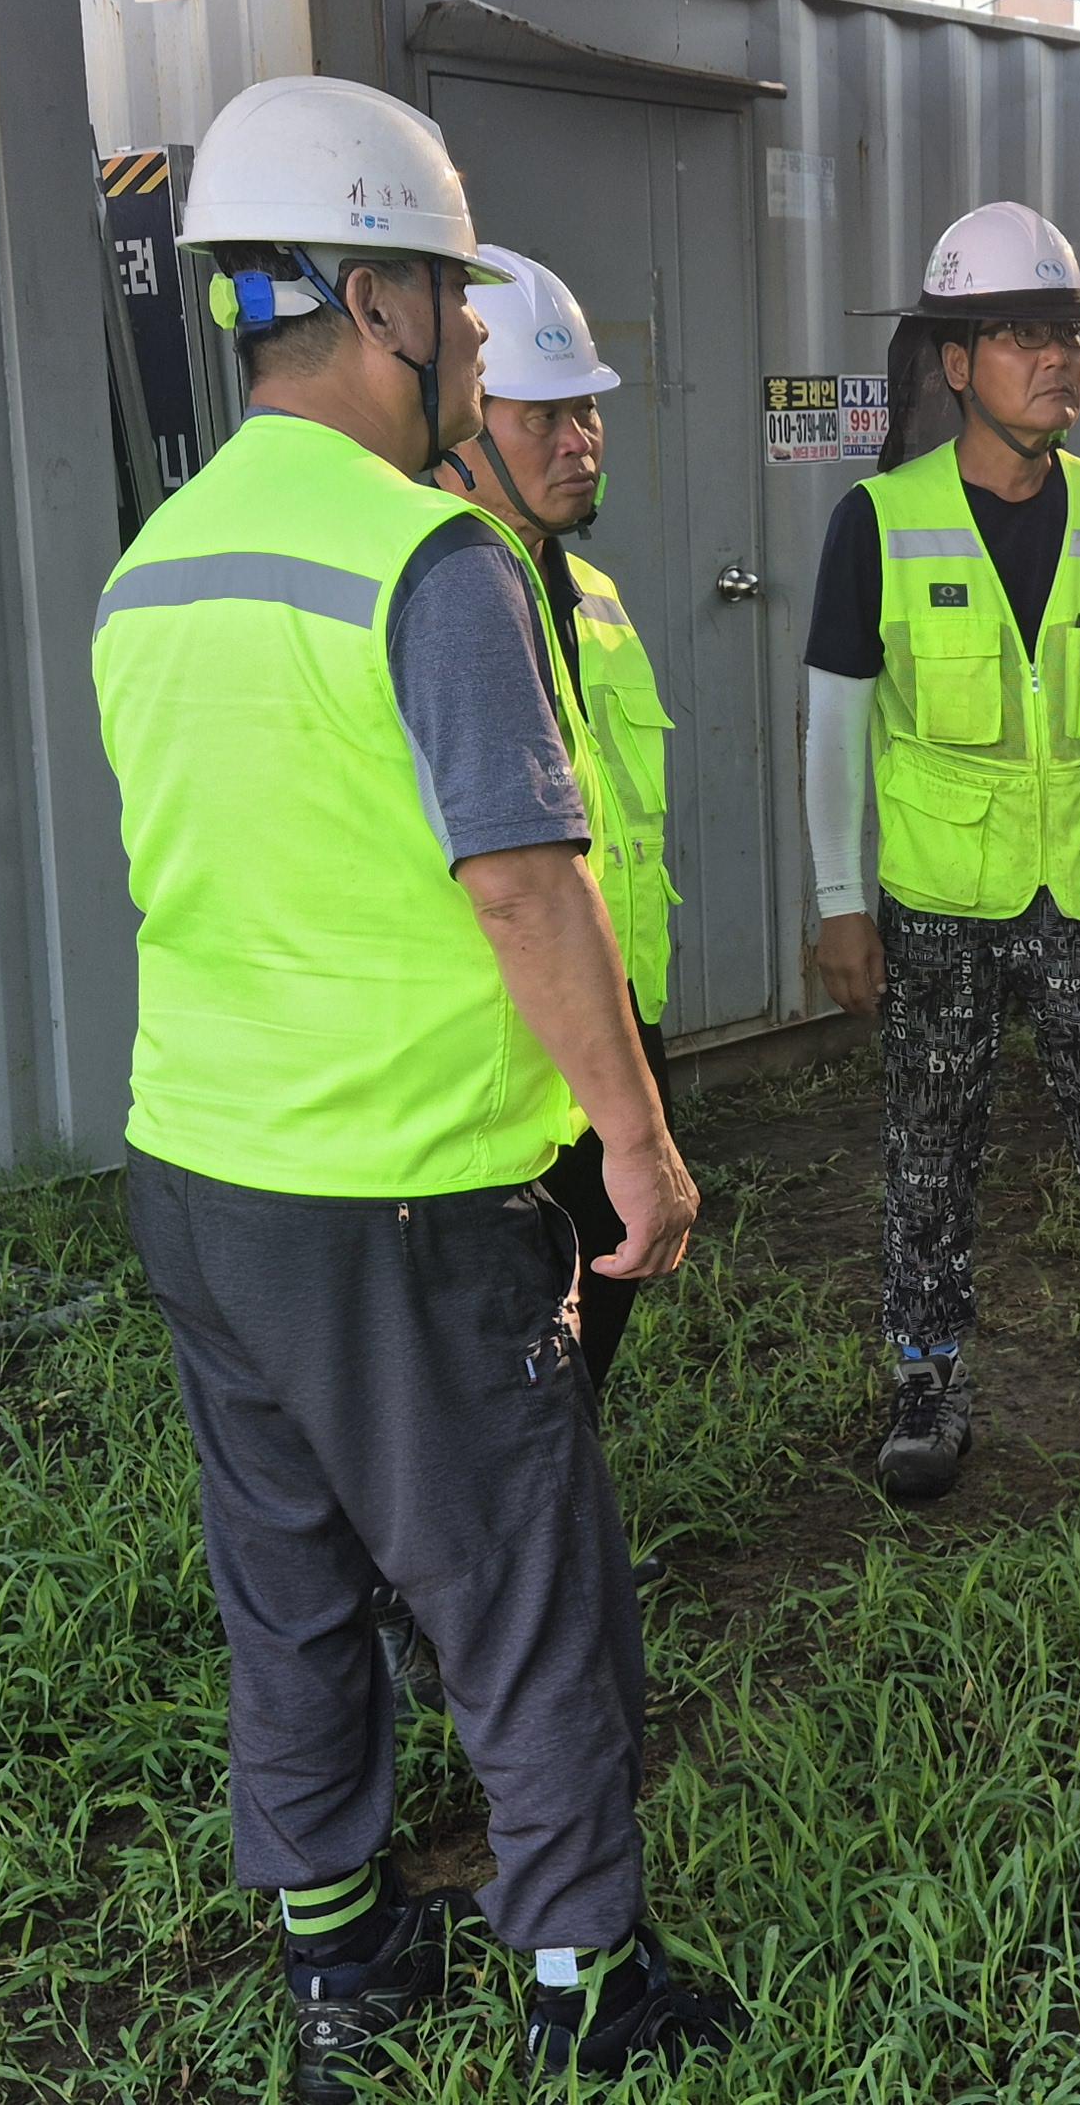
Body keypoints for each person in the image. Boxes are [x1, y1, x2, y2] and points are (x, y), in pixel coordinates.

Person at [96, 77, 737, 2099]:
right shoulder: (426, 565)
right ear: (372, 299)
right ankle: (584, 1986)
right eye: (454, 299)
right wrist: (636, 1141)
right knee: (524, 1589)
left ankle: (339, 1963)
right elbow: (523, 885)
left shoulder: (156, 565)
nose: (470, 336)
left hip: (202, 1174)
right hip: (405, 1189)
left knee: (288, 1583)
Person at [801, 200, 1080, 1502]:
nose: (1058, 360)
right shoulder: (879, 520)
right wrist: (839, 899)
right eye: (1027, 336)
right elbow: (834, 725)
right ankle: (926, 1381)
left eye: (1071, 336)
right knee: (932, 1147)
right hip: (943, 896)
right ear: (956, 361)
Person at [435, 245, 681, 1385]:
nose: (579, 440)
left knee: (588, 1344)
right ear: (462, 430)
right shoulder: (428, 607)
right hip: (500, 1063)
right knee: (505, 1374)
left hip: (615, 1025)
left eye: (587, 410)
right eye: (542, 417)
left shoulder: (595, 597)